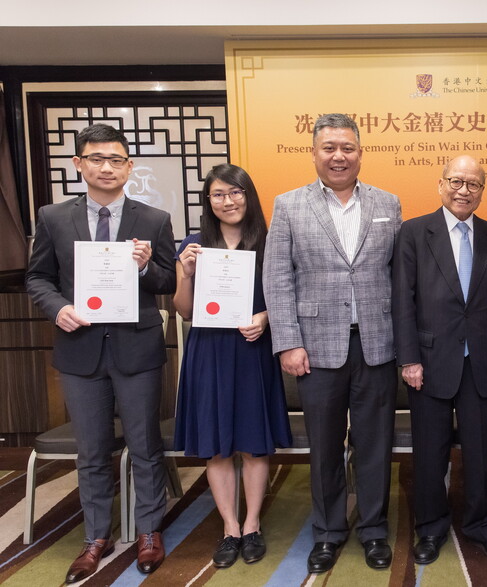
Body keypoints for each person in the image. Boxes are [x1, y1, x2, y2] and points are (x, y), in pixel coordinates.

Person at [25, 123, 174, 583]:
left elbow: (167, 283)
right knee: (91, 451)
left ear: (130, 166)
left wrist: (147, 265)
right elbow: (38, 278)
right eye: (97, 159)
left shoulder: (153, 219)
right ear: (79, 164)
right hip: (80, 351)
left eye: (116, 160)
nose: (107, 167)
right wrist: (58, 308)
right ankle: (96, 537)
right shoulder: (53, 218)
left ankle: (149, 531)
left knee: (145, 445)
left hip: (137, 348)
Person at [263, 113, 401, 574]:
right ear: (315, 152)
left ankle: (375, 529)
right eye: (329, 148)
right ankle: (327, 531)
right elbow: (278, 278)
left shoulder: (388, 203)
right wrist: (287, 342)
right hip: (315, 346)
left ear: (360, 152)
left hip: (377, 343)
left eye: (347, 147)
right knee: (323, 444)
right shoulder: (288, 205)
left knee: (375, 443)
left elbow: (398, 277)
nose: (338, 155)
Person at [392, 155, 487, 564]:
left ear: (483, 189)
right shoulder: (412, 232)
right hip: (427, 361)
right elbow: (402, 301)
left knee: (481, 451)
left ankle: (481, 526)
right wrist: (408, 358)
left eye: (474, 184)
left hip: (479, 360)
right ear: (440, 184)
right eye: (456, 181)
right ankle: (429, 529)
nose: (464, 190)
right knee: (430, 451)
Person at [173, 164, 292, 568]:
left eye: (236, 192)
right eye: (219, 194)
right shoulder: (194, 245)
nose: (228, 201)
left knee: (253, 441)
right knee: (216, 446)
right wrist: (186, 273)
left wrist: (265, 318)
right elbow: (185, 310)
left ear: (249, 194)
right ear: (209, 201)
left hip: (252, 349)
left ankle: (253, 523)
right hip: (208, 351)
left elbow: (286, 295)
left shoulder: (271, 241)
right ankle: (230, 527)